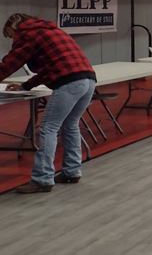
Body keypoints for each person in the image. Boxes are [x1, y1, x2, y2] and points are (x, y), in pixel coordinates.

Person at [0, 13, 97, 194]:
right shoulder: (51, 30)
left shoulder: (28, 34)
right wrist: (26, 86)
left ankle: (42, 179)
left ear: (15, 27)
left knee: (48, 128)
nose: (13, 40)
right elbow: (49, 69)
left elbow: (10, 63)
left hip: (70, 82)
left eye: (11, 36)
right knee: (70, 125)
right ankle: (72, 172)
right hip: (89, 80)